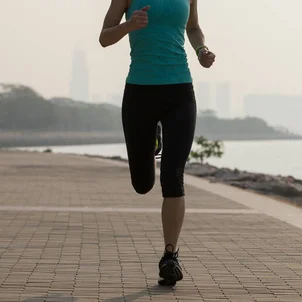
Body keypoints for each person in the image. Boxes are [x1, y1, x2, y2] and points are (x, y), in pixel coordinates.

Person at [98, 0, 215, 286]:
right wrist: (128, 25)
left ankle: (170, 256)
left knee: (173, 176)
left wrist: (202, 50)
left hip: (180, 91)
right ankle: (153, 140)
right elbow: (104, 37)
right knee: (142, 184)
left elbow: (194, 27)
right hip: (140, 93)